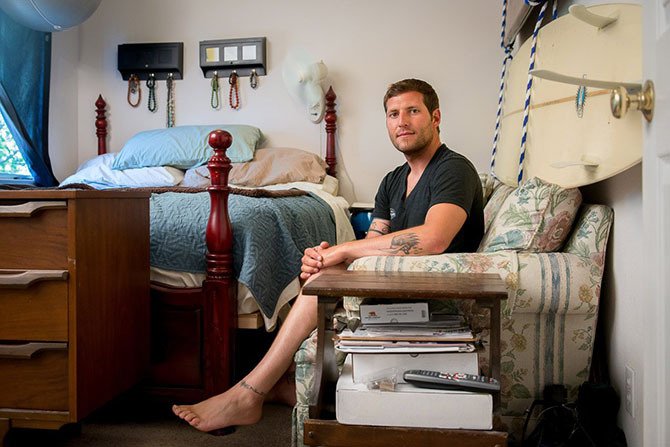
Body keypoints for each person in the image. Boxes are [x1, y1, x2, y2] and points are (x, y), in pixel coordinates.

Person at [172, 78, 484, 433]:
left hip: (437, 293)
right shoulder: (392, 181)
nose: (402, 122)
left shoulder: (453, 169)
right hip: (397, 284)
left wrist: (344, 250)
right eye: (393, 114)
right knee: (317, 273)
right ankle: (281, 384)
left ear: (435, 117)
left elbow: (434, 239)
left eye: (413, 111)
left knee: (325, 276)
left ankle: (248, 395)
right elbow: (375, 240)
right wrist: (329, 259)